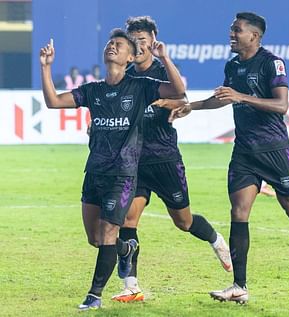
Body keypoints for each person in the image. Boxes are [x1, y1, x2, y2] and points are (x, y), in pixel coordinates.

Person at [170, 12, 289, 303]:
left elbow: (282, 105)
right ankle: (239, 286)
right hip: (244, 151)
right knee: (238, 213)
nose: (231, 34)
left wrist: (242, 97)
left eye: (237, 30)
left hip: (273, 151)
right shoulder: (233, 65)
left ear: (254, 36)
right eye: (231, 30)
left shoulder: (272, 63)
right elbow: (223, 97)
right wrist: (191, 107)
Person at [40, 29, 186, 311]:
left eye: (118, 45)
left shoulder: (141, 86)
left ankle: (94, 296)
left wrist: (165, 58)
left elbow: (178, 91)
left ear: (130, 57)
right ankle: (126, 248)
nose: (111, 47)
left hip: (123, 174)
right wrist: (46, 68)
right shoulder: (93, 90)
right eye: (110, 43)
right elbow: (53, 102)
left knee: (108, 233)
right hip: (94, 172)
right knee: (96, 239)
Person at [110, 16, 232, 303]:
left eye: (143, 39)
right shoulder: (125, 75)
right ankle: (132, 285)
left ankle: (216, 240)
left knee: (184, 222)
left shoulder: (163, 71)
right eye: (134, 40)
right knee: (128, 218)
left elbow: (182, 98)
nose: (138, 45)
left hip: (164, 158)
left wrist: (167, 102)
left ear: (153, 41)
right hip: (134, 160)